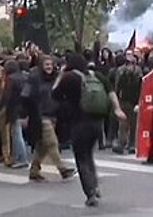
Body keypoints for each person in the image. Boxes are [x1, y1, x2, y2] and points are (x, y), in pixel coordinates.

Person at [52, 53, 126, 207]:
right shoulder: (96, 75)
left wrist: (60, 75)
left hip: (78, 121)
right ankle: (95, 184)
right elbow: (111, 92)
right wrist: (117, 109)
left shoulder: (69, 78)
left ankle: (90, 192)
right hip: (97, 121)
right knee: (89, 155)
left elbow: (54, 94)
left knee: (81, 158)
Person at [24, 55, 76, 181]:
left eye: (51, 64)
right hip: (40, 115)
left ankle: (34, 171)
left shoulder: (56, 79)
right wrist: (26, 113)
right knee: (52, 143)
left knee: (42, 146)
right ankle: (62, 169)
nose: (49, 67)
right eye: (46, 64)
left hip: (54, 115)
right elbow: (26, 96)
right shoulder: (34, 78)